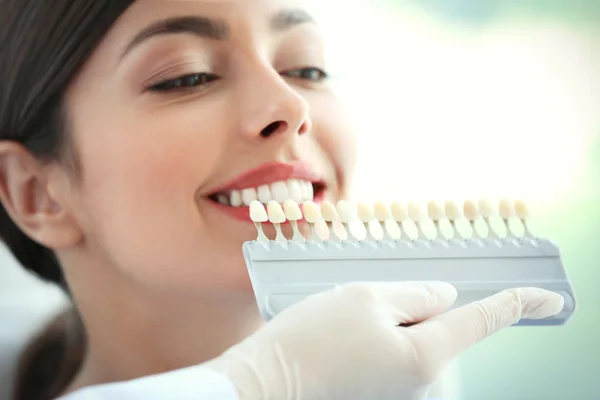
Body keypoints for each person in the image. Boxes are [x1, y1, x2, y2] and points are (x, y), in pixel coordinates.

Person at [0, 1, 564, 399]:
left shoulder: (413, 378)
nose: (291, 104)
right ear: (36, 193)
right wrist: (256, 385)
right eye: (187, 77)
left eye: (306, 68)